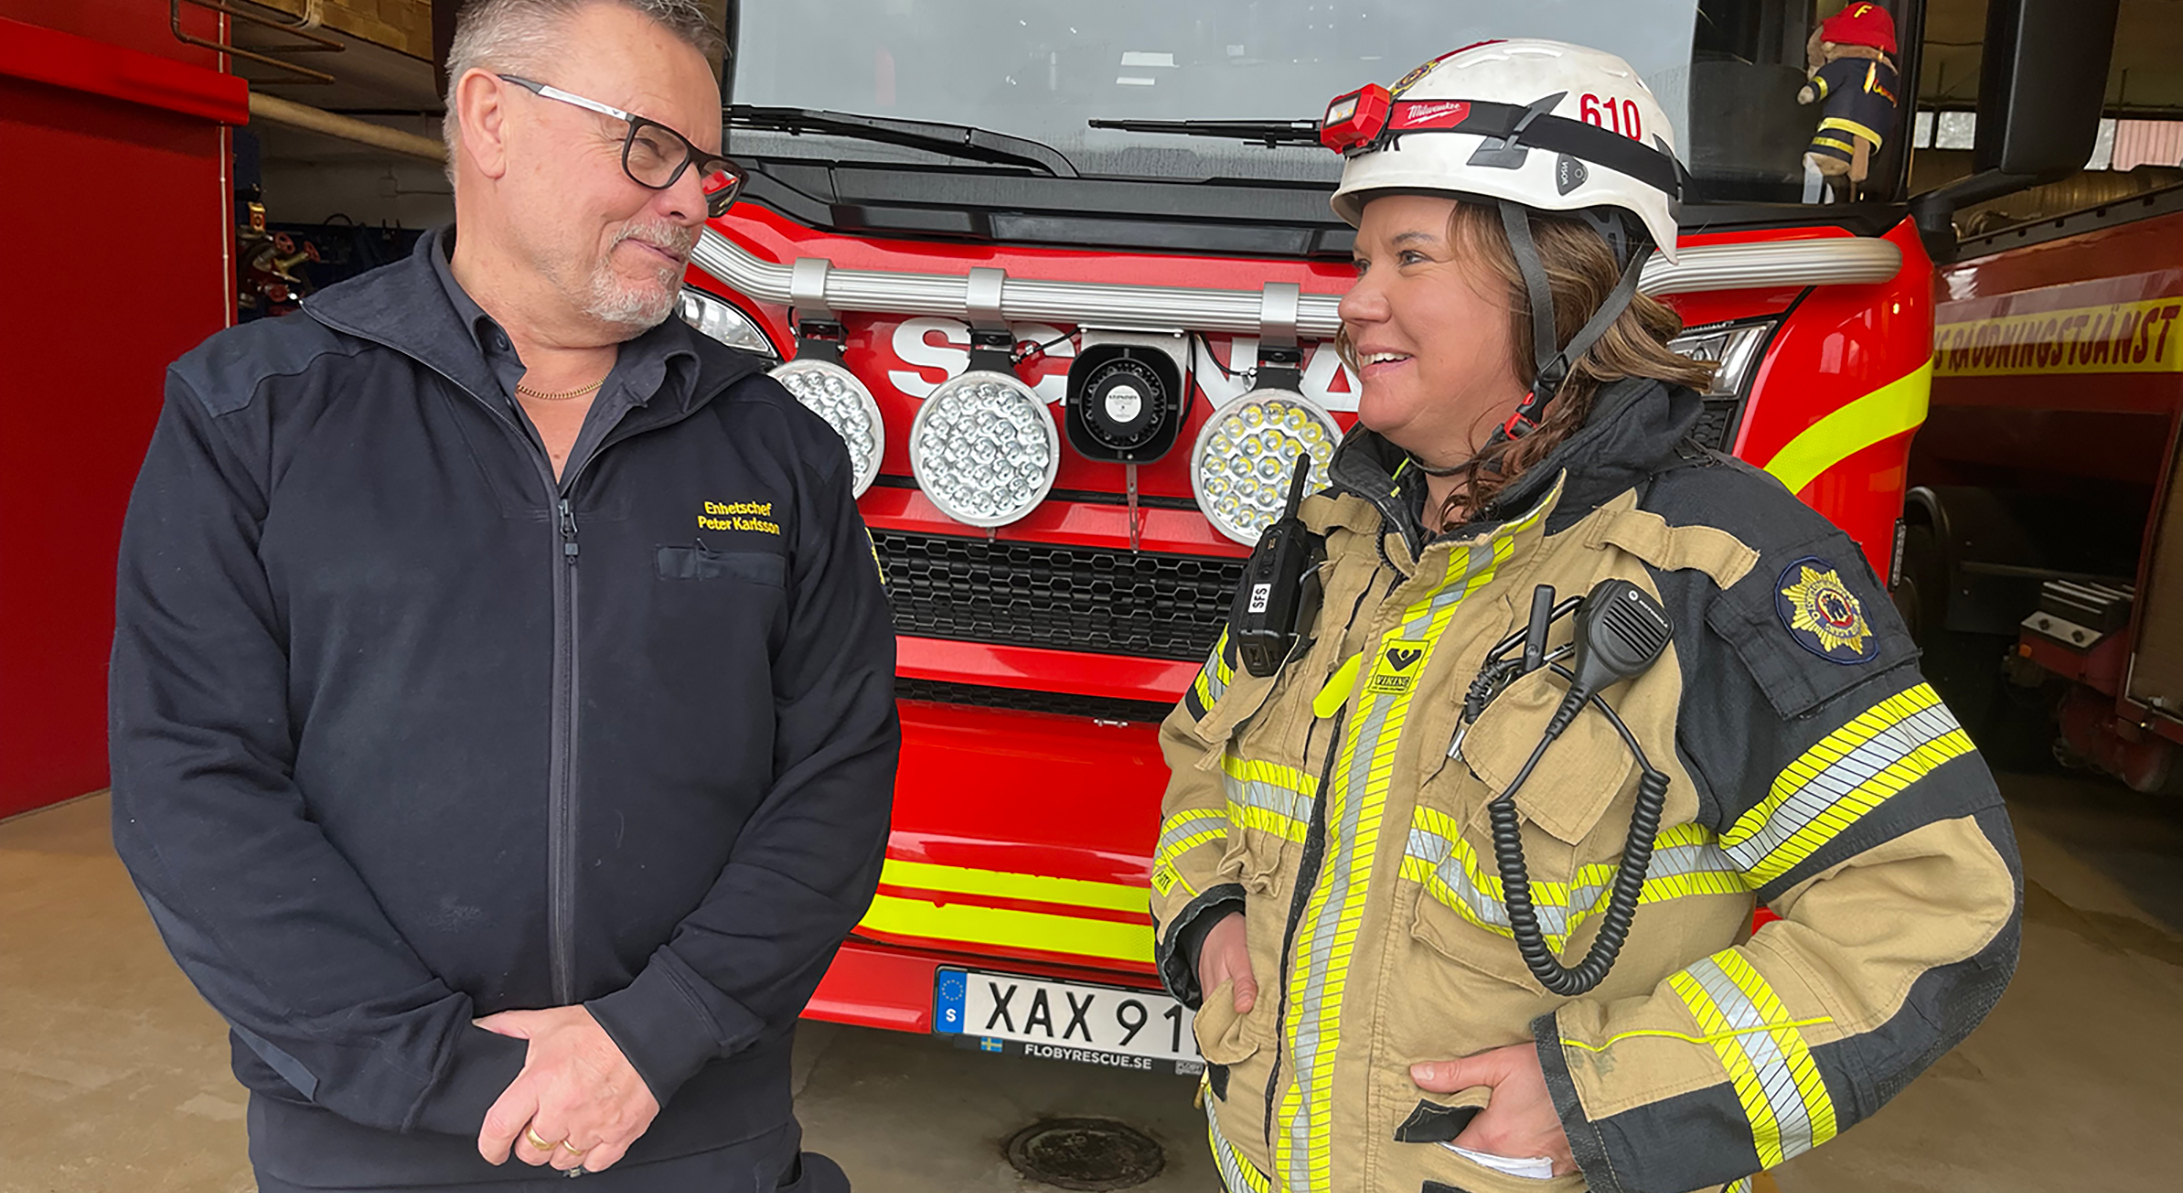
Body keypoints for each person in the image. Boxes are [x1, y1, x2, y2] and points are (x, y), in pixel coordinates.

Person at [1149, 40, 2019, 1193]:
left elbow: (1935, 901)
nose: (1356, 302)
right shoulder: (1330, 536)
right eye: (1360, 261)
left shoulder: (1715, 565)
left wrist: (1599, 1099)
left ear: (1553, 282)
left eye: (1409, 257)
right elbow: (1204, 757)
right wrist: (1209, 914)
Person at [108, 2, 898, 1190]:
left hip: (692, 1119)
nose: (690, 202)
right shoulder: (253, 417)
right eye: (648, 149)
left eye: (705, 170)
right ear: (490, 118)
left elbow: (835, 777)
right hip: (371, 1133)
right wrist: (451, 1073)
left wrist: (653, 1036)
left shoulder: (777, 450)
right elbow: (192, 786)